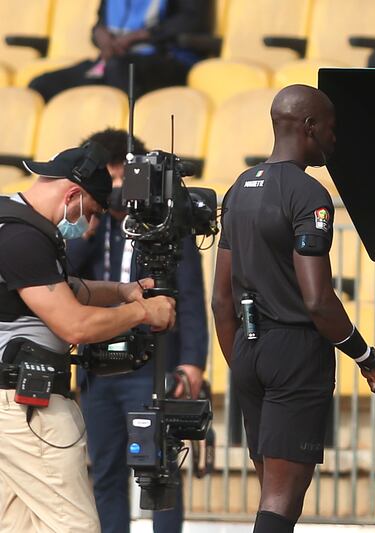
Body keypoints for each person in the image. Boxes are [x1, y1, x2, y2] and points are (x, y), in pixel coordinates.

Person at [212, 84, 375, 533]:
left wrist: (245, 363)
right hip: (294, 352)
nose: (334, 140)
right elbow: (317, 300)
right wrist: (367, 358)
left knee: (271, 496)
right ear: (309, 127)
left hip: (249, 351)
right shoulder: (308, 194)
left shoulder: (238, 190)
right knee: (282, 500)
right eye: (330, 130)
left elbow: (221, 300)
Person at [0, 144, 176, 533]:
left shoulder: (11, 222)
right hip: (27, 407)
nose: (91, 227)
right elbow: (74, 325)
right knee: (74, 527)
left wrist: (122, 291)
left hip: (12, 405)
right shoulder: (21, 239)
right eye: (93, 214)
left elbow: (62, 289)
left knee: (20, 527)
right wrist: (144, 312)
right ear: (73, 195)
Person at [66, 129, 208, 533]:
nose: (114, 194)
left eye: (120, 182)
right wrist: (89, 223)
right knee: (105, 469)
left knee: (159, 466)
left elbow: (192, 298)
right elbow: (67, 275)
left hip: (151, 362)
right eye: (104, 184)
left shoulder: (163, 225)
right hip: (96, 365)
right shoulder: (88, 225)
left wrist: (192, 361)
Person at [29, 0, 213, 102]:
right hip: (112, 60)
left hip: (166, 57)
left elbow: (193, 21)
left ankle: (124, 155)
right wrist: (98, 34)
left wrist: (142, 36)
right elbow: (101, 22)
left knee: (120, 71)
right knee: (41, 85)